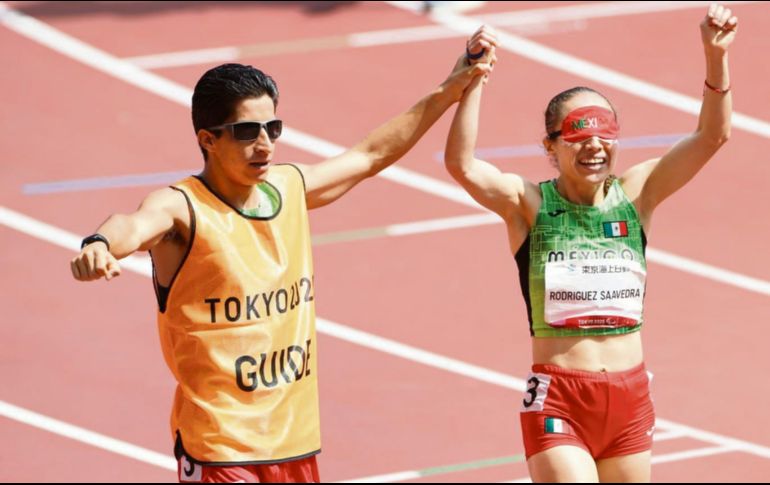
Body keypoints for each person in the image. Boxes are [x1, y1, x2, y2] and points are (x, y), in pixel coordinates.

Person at [69, 31, 494, 483]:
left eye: (272, 129)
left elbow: (371, 154)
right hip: (221, 445)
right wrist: (97, 245)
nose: (265, 144)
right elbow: (131, 224)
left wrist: (451, 89)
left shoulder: (290, 188)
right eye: (247, 132)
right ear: (208, 140)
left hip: (293, 439)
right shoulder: (182, 208)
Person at [445, 6, 736, 482]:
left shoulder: (638, 194)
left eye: (605, 134)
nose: (595, 146)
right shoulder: (528, 204)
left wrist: (715, 54)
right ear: (550, 146)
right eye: (579, 135)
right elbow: (462, 164)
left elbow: (713, 135)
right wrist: (473, 79)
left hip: (629, 398)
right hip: (560, 398)